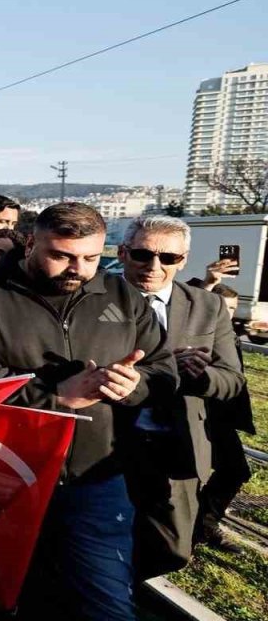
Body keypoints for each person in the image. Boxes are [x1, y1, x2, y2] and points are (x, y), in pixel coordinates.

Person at [0, 202, 177, 620]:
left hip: (95, 478)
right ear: (31, 243)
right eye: (62, 256)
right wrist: (53, 396)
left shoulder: (122, 294)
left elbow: (163, 367)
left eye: (91, 257)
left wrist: (135, 385)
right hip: (4, 474)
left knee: (105, 604)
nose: (78, 269)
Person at [115, 216, 244, 580]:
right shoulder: (95, 299)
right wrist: (165, 367)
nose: (154, 266)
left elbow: (232, 380)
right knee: (100, 540)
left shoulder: (208, 306)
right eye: (142, 254)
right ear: (124, 253)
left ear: (183, 260)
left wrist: (199, 375)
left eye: (168, 258)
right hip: (111, 441)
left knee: (173, 550)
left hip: (178, 445)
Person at [197, 283, 256, 547]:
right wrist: (208, 280)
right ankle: (199, 525)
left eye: (232, 308)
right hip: (201, 414)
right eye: (222, 307)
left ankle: (203, 524)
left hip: (222, 416)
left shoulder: (228, 334)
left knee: (235, 470)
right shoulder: (197, 333)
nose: (228, 313)